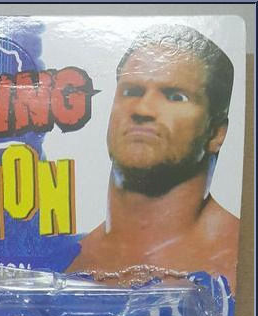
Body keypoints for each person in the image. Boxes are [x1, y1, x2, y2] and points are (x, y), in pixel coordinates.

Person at [67, 25, 238, 290]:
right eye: (131, 91)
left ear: (216, 133)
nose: (143, 109)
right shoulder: (64, 259)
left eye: (175, 96)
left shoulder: (239, 261)